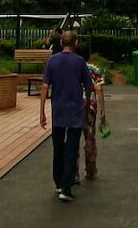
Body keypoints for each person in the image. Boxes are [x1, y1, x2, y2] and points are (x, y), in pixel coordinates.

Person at [39, 29, 92, 202]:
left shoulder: (52, 61)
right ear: (75, 44)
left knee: (58, 148)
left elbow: (45, 87)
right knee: (71, 149)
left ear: (61, 43)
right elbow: (88, 86)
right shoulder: (80, 61)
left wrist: (41, 111)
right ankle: (66, 187)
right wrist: (87, 102)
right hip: (75, 111)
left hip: (58, 110)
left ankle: (58, 182)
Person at [76, 44, 106, 181]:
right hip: (90, 106)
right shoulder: (94, 69)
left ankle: (73, 172)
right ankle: (90, 169)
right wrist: (102, 111)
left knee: (73, 139)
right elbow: (99, 89)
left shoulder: (73, 68)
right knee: (89, 137)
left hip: (74, 105)